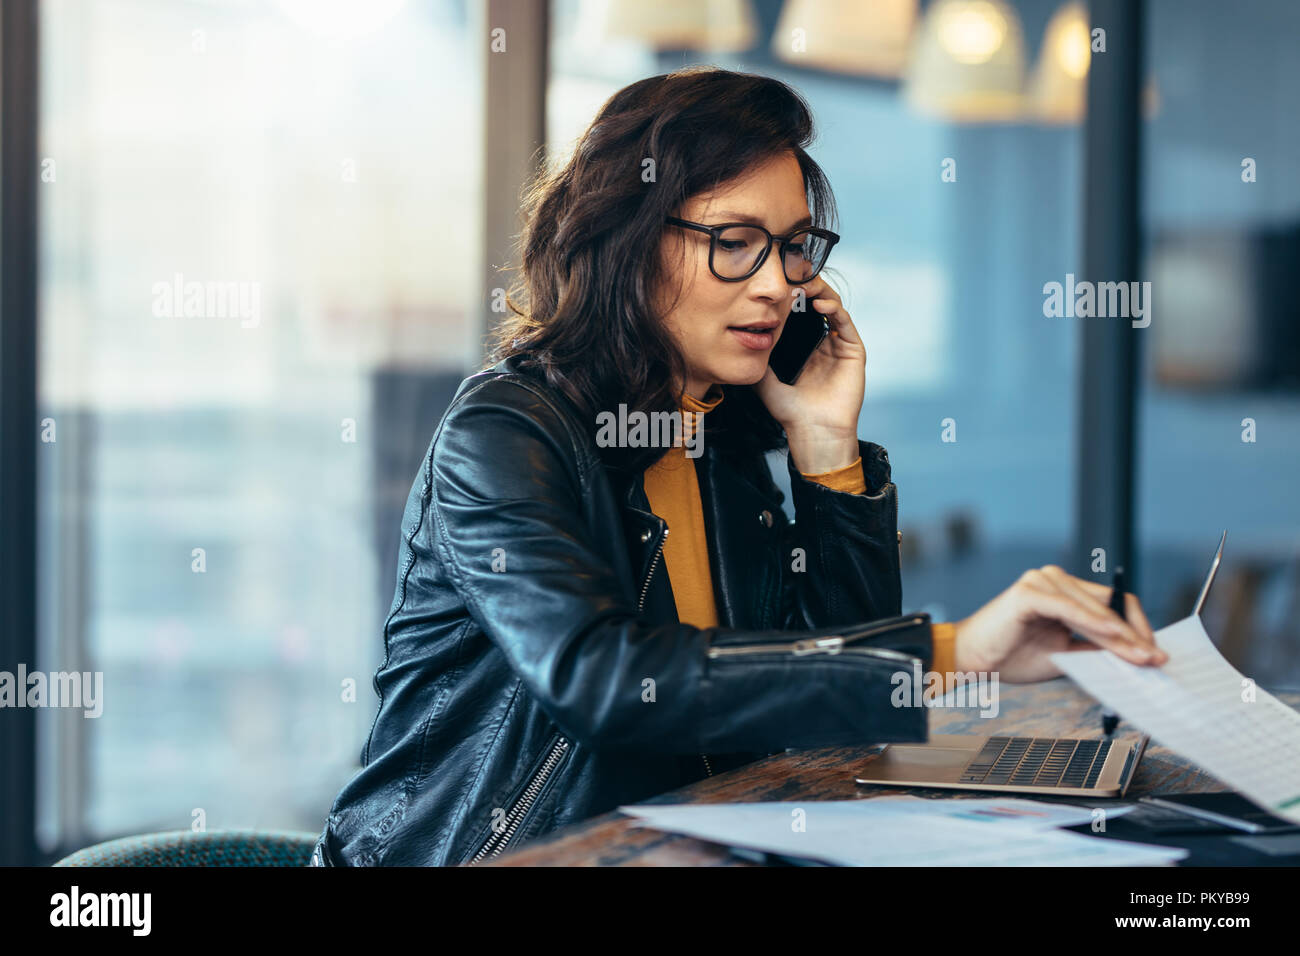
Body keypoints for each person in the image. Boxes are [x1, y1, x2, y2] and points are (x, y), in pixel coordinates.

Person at [310, 67, 1164, 868]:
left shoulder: (717, 434)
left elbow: (824, 714)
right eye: (734, 241)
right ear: (627, 240)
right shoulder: (506, 432)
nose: (775, 286)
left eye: (792, 247)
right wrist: (952, 657)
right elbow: (607, 677)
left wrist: (827, 450)